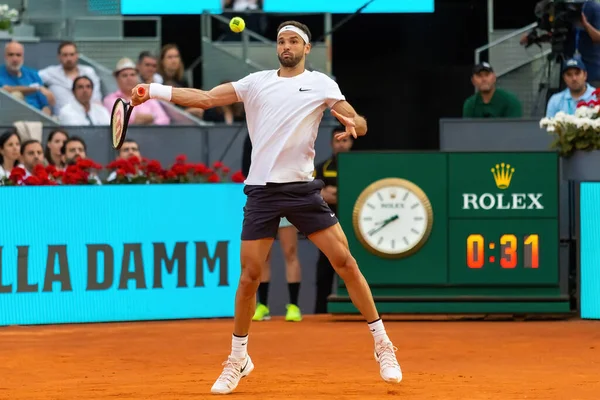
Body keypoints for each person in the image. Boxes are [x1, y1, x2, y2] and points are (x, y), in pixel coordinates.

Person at [130, 20, 402, 395]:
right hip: (261, 191)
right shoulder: (255, 82)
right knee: (249, 278)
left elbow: (358, 120)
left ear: (307, 48)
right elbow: (207, 98)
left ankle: (382, 344)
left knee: (347, 264)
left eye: (293, 41)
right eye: (281, 41)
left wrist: (353, 124)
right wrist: (155, 90)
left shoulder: (322, 83)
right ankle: (238, 358)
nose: (286, 46)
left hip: (303, 190)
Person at [314, 125, 353, 314]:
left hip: (353, 227)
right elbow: (314, 191)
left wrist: (340, 194)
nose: (341, 144)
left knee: (351, 268)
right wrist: (322, 193)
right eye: (338, 141)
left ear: (351, 142)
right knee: (324, 269)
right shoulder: (322, 167)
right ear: (331, 143)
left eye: (345, 140)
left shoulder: (360, 167)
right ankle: (320, 311)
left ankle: (355, 309)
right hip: (328, 226)